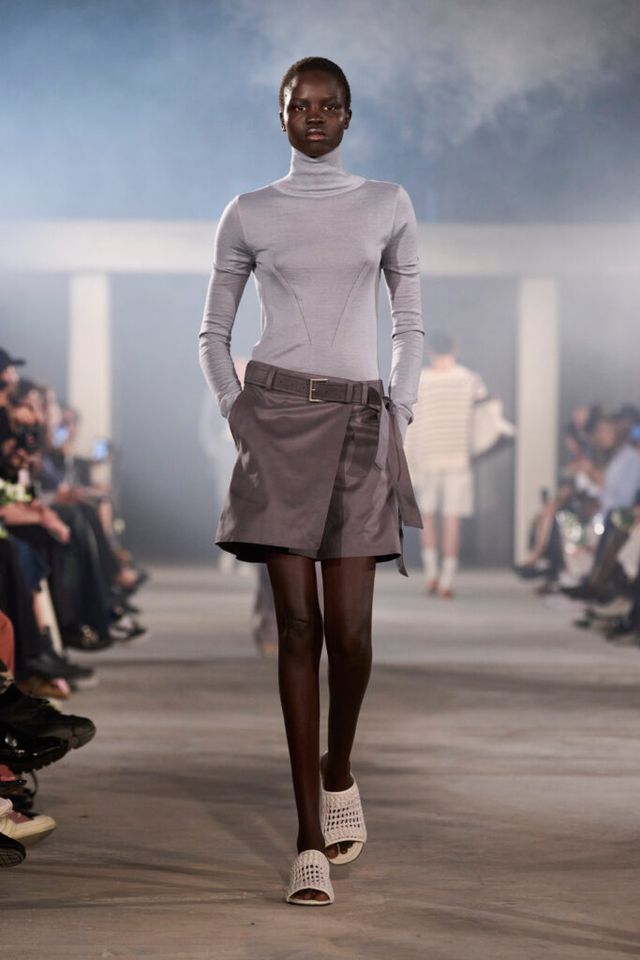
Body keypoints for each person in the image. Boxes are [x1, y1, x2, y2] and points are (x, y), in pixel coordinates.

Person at [199, 57, 423, 905]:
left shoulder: (387, 204)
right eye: (302, 104)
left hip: (362, 422)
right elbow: (212, 332)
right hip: (279, 420)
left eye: (330, 105)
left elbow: (409, 319)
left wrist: (401, 408)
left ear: (349, 116)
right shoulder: (250, 211)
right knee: (299, 627)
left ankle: (338, 767)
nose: (316, 116)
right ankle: (306, 840)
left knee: (352, 636)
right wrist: (239, 413)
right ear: (282, 115)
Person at [405, 329, 487, 598]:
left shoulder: (421, 381)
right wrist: (475, 448)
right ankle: (447, 580)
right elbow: (483, 417)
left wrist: (408, 459)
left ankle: (431, 574)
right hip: (458, 458)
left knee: (427, 516)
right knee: (452, 518)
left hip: (427, 457)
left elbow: (412, 423)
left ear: (430, 351)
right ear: (455, 350)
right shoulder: (469, 379)